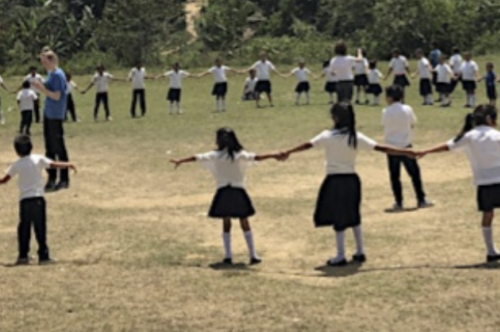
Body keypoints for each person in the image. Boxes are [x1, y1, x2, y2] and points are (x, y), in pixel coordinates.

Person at [276, 103, 417, 267]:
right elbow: (380, 147)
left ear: (335, 118)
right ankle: (360, 250)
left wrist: (288, 152)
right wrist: (406, 151)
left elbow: (308, 144)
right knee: (354, 214)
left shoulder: (327, 136)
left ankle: (340, 255)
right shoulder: (355, 136)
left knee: (339, 217)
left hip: (335, 180)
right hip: (352, 180)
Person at [419, 105, 500, 264]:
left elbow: (447, 146)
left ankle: (491, 251)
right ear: (489, 119)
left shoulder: (468, 136)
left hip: (483, 181)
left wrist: (425, 151)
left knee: (487, 214)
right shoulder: (497, 135)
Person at [169, 127, 281, 265]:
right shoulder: (240, 154)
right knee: (244, 222)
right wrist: (274, 155)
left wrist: (181, 160)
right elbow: (257, 157)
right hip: (238, 190)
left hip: (223, 191)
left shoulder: (215, 155)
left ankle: (228, 256)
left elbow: (197, 157)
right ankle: (253, 255)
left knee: (226, 223)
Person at [0, 134, 77, 265]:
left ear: (17, 151)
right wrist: (68, 164)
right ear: (31, 147)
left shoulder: (17, 164)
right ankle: (43, 256)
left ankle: (23, 256)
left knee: (24, 228)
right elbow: (53, 164)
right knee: (40, 228)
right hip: (38, 199)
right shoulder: (38, 159)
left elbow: (4, 179)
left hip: (24, 201)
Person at [380, 85, 433, 212]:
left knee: (394, 176)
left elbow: (384, 124)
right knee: (414, 174)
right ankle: (421, 199)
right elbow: (412, 123)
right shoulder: (407, 109)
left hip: (391, 147)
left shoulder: (385, 111)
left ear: (390, 97)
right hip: (406, 146)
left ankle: (398, 202)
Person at [38, 50, 72, 191]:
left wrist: (41, 89)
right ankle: (51, 178)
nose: (43, 64)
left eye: (45, 61)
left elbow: (57, 96)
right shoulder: (50, 74)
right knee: (49, 148)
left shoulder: (58, 75)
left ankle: (64, 178)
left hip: (56, 115)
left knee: (59, 147)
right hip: (48, 113)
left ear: (52, 61)